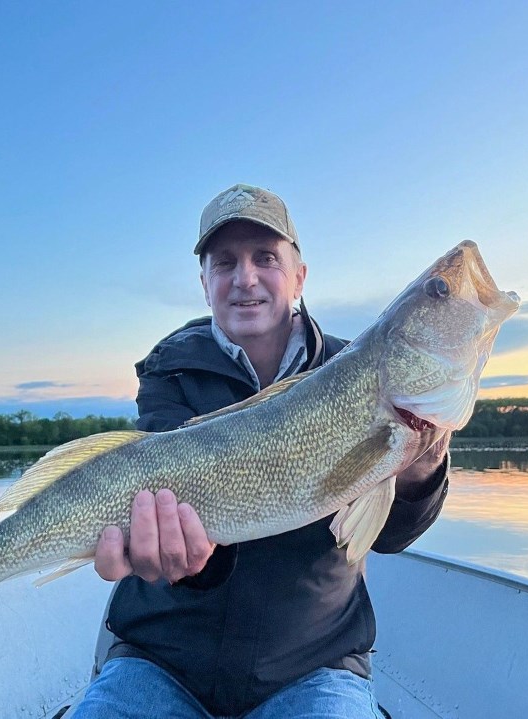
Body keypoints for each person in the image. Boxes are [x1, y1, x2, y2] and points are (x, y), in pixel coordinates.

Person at [73, 184, 450, 719]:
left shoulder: (360, 372)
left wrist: (421, 465)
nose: (244, 278)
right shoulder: (168, 372)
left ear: (299, 276)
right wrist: (184, 561)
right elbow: (182, 516)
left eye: (266, 258)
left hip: (314, 663)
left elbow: (390, 536)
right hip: (158, 658)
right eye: (224, 262)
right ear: (204, 285)